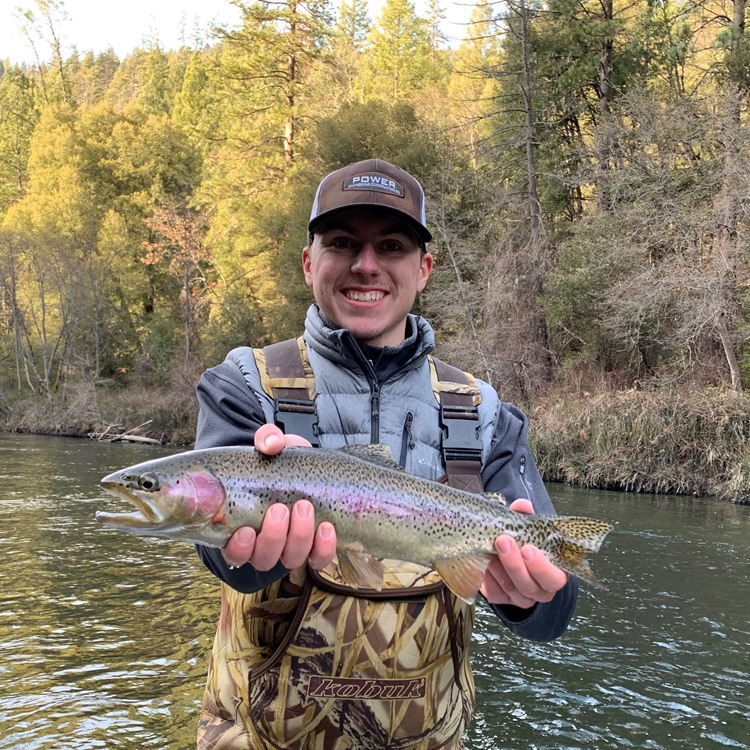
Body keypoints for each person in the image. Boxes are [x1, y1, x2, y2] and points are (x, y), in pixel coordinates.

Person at [193, 159, 579, 750]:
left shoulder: (483, 413)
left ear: (422, 269)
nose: (366, 265)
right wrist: (256, 547)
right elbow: (221, 556)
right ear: (308, 262)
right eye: (343, 243)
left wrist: (534, 597)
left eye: (391, 246)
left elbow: (554, 611)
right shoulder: (244, 385)